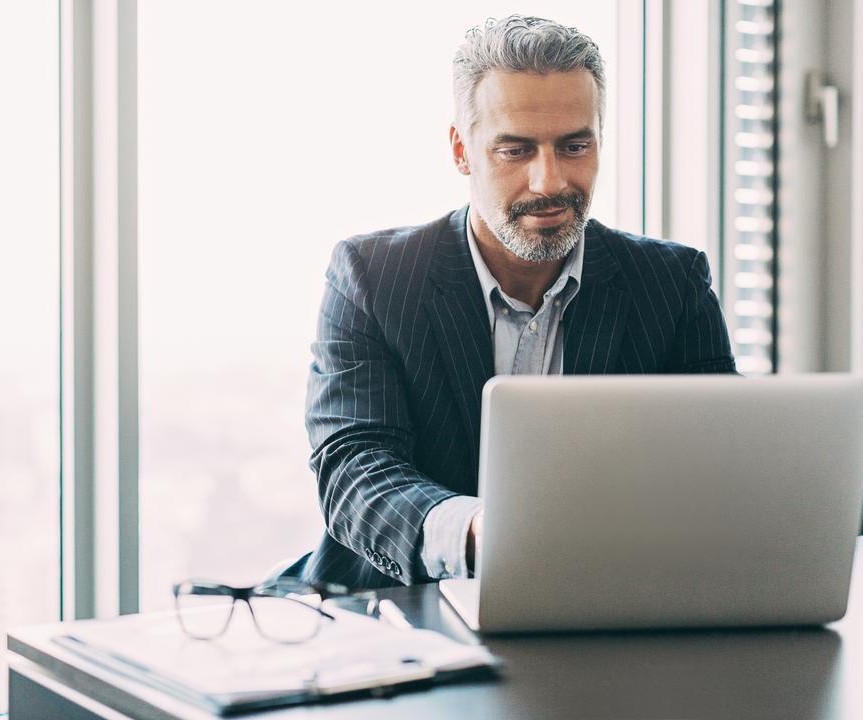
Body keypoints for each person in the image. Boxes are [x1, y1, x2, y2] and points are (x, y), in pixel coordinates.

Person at [299, 15, 735, 590]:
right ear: (462, 149)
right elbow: (355, 469)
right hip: (403, 614)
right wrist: (478, 532)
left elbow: (723, 463)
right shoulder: (373, 277)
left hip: (612, 608)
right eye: (516, 150)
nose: (549, 181)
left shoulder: (672, 283)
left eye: (574, 146)